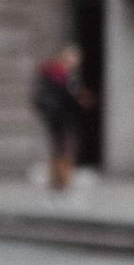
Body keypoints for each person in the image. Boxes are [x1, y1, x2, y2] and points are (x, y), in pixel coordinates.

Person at [30, 43, 90, 191]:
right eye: (73, 57)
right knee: (64, 146)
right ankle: (60, 179)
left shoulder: (68, 75)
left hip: (65, 116)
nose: (75, 61)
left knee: (61, 146)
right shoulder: (58, 74)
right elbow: (64, 95)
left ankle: (61, 179)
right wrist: (78, 98)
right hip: (60, 116)